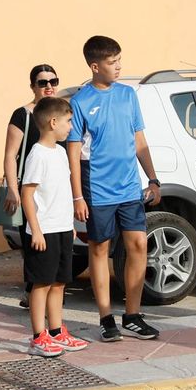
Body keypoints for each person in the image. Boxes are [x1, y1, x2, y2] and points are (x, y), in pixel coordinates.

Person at [66, 35, 162, 343]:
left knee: (137, 246)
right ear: (95, 66)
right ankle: (106, 318)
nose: (118, 67)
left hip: (129, 188)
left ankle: (132, 315)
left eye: (119, 60)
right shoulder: (80, 102)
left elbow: (139, 140)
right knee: (100, 249)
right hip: (97, 190)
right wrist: (77, 195)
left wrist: (153, 178)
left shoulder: (128, 95)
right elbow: (73, 150)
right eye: (111, 62)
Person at [19, 96, 87, 356]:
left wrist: (68, 224)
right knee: (42, 283)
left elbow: (60, 191)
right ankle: (38, 336)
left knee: (59, 282)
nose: (71, 127)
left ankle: (57, 331)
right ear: (53, 122)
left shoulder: (59, 152)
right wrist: (35, 229)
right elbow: (27, 194)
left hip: (60, 228)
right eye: (68, 122)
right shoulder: (37, 155)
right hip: (43, 231)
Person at [2, 64, 62, 307]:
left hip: (56, 190)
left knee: (56, 242)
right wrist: (13, 189)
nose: (49, 86)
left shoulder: (62, 113)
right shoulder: (22, 115)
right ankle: (34, 292)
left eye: (53, 81)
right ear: (33, 86)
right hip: (31, 190)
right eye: (42, 82)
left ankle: (50, 294)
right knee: (33, 243)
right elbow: (10, 155)